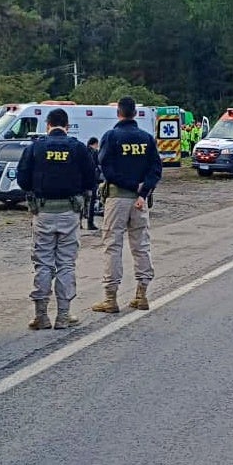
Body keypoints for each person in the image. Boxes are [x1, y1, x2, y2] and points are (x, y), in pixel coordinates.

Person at [17, 108, 96, 330]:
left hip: (42, 213)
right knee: (66, 264)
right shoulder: (78, 148)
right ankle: (63, 315)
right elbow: (92, 178)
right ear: (67, 126)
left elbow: (23, 179)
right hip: (70, 213)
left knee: (43, 263)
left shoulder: (36, 148)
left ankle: (41, 316)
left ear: (48, 125)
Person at [92, 96, 163, 314]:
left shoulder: (111, 136)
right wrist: (142, 191)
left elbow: (106, 168)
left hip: (117, 198)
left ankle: (110, 298)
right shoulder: (147, 138)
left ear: (119, 113)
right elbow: (156, 170)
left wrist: (131, 186)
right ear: (135, 113)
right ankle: (141, 294)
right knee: (141, 245)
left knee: (113, 246)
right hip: (140, 201)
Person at [85, 136, 101, 231]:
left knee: (82, 203)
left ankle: (79, 223)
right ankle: (90, 223)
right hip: (92, 181)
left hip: (83, 182)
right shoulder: (95, 153)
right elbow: (98, 164)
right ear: (94, 144)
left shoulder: (84, 151)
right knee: (91, 203)